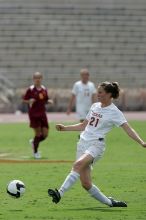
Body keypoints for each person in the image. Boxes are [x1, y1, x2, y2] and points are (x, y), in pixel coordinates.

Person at [48, 81, 146, 207]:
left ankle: (60, 193)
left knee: (77, 165)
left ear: (109, 94)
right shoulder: (95, 106)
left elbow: (128, 129)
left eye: (100, 92)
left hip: (96, 145)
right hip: (82, 143)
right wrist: (65, 128)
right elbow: (84, 125)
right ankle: (110, 203)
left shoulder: (114, 112)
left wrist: (141, 142)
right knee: (86, 184)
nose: (97, 94)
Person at [23, 72, 53, 159]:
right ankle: (36, 152)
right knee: (38, 133)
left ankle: (33, 142)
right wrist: (29, 101)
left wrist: (49, 101)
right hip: (33, 114)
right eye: (36, 78)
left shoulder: (44, 89)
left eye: (39, 77)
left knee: (45, 134)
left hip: (42, 114)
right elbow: (24, 100)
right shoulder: (31, 89)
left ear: (41, 78)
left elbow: (45, 100)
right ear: (33, 79)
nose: (38, 79)